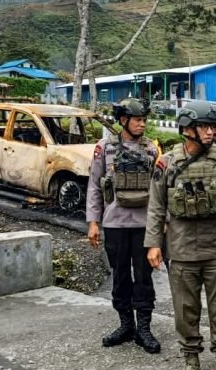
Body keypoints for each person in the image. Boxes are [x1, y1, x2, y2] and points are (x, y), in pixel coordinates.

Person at [144, 100, 216, 370]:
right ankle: (191, 361)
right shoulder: (167, 163)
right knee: (185, 310)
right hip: (181, 248)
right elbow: (155, 206)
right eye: (204, 126)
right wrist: (153, 244)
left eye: (212, 126)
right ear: (188, 129)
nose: (211, 132)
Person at [86, 98, 161, 354]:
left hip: (143, 226)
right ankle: (126, 325)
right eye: (137, 120)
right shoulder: (103, 148)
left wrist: (161, 227)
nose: (142, 124)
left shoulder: (151, 149)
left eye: (144, 120)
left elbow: (159, 192)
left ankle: (144, 329)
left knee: (143, 278)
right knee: (119, 277)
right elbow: (95, 186)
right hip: (114, 224)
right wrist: (93, 222)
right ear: (123, 120)